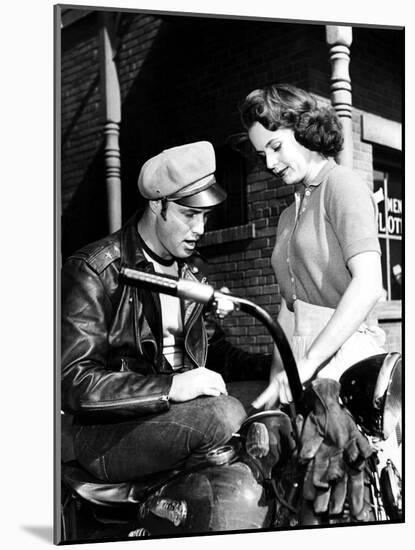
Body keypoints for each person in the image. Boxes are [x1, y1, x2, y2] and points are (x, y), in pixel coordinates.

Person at [61, 140, 269, 483]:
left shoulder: (193, 271)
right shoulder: (96, 270)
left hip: (184, 414)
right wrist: (171, 386)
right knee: (226, 414)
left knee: (275, 399)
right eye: (189, 214)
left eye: (204, 215)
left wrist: (273, 365)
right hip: (108, 434)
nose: (200, 229)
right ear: (158, 205)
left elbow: (213, 354)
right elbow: (74, 382)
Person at [239, 83, 386, 409]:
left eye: (276, 147)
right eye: (263, 154)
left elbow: (369, 284)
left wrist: (309, 362)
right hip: (301, 355)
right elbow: (288, 308)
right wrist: (277, 383)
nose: (271, 162)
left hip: (345, 353)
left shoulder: (341, 184)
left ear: (303, 130)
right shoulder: (289, 215)